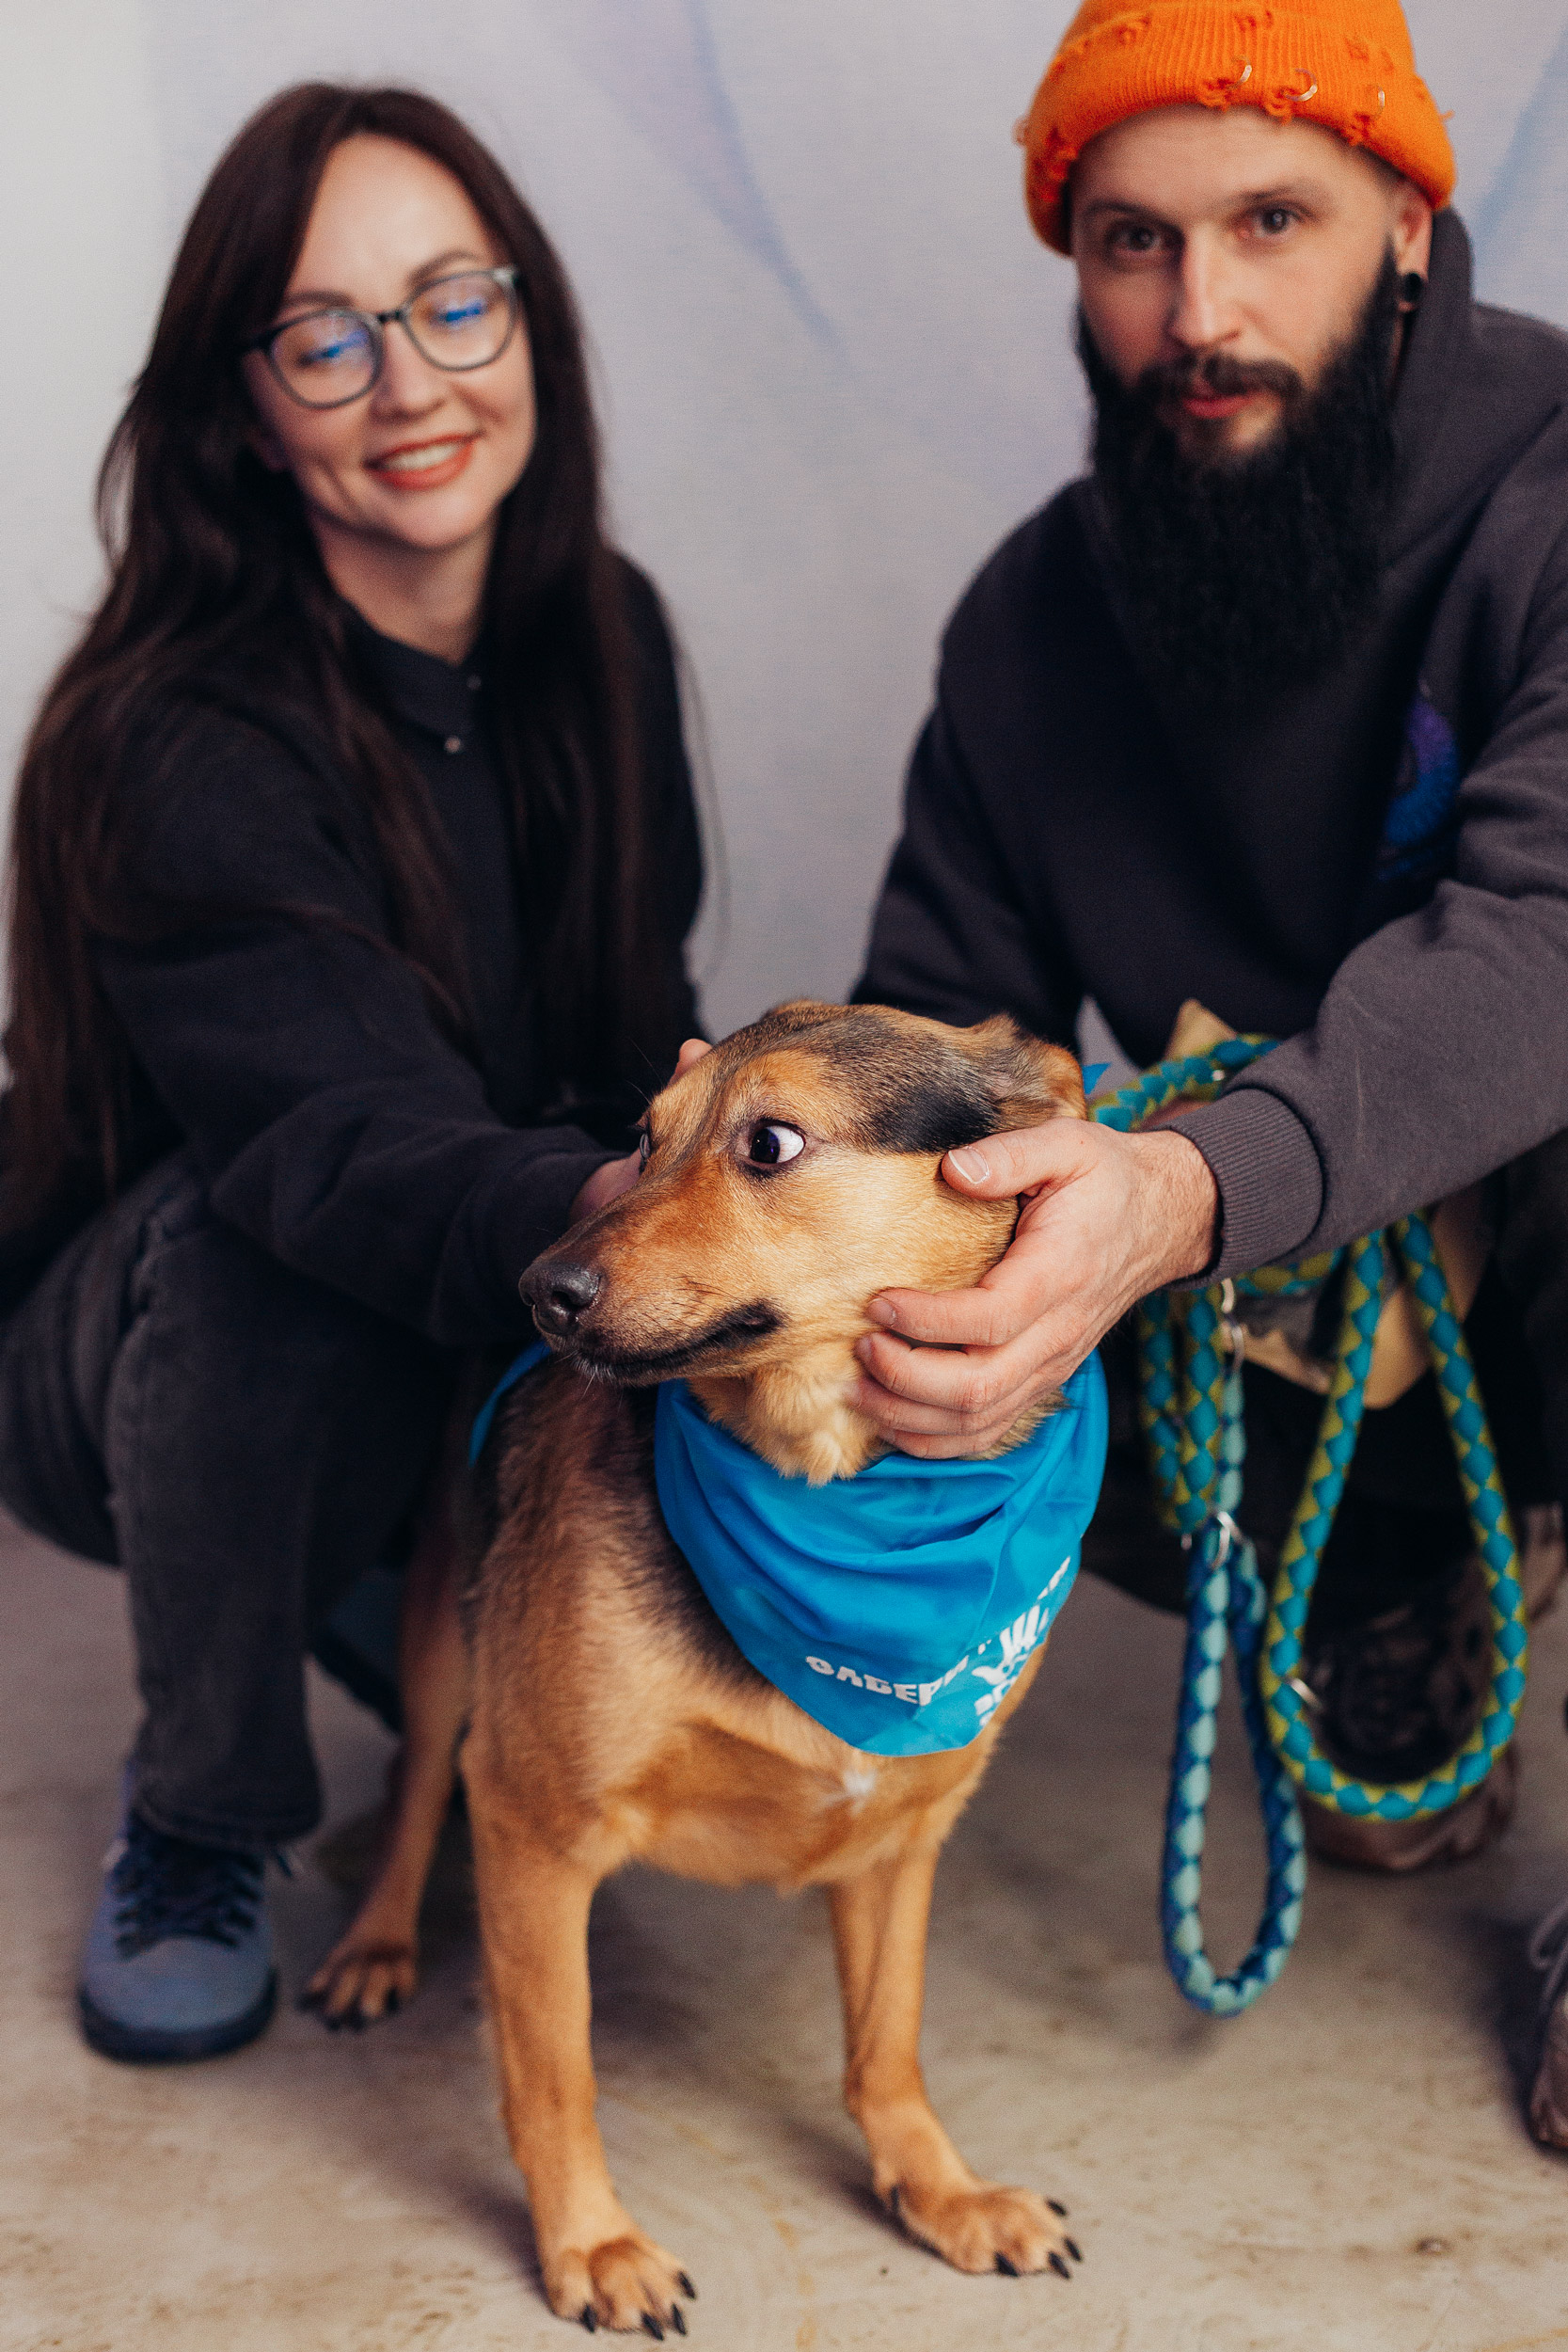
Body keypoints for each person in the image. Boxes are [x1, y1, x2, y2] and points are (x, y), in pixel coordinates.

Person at [849, 0, 1568, 2133]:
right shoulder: (1029, 623)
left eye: (1274, 221)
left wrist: (1185, 1184)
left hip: (1495, 1189)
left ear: (1408, 223)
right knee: (1001, 1302)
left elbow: (1544, 937)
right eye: (1133, 241)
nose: (1201, 316)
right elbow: (937, 1037)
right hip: (1311, 1300)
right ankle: (1422, 1577)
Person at [0, 83, 700, 2062]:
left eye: (452, 303)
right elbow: (337, 1142)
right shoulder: (171, 726)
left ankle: (377, 1582)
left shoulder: (607, 637)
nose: (410, 383)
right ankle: (200, 1810)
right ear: (245, 410)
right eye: (324, 337)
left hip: (446, 1313)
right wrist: (625, 1221)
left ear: (528, 321)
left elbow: (628, 1043)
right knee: (268, 1233)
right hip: (136, 1362)